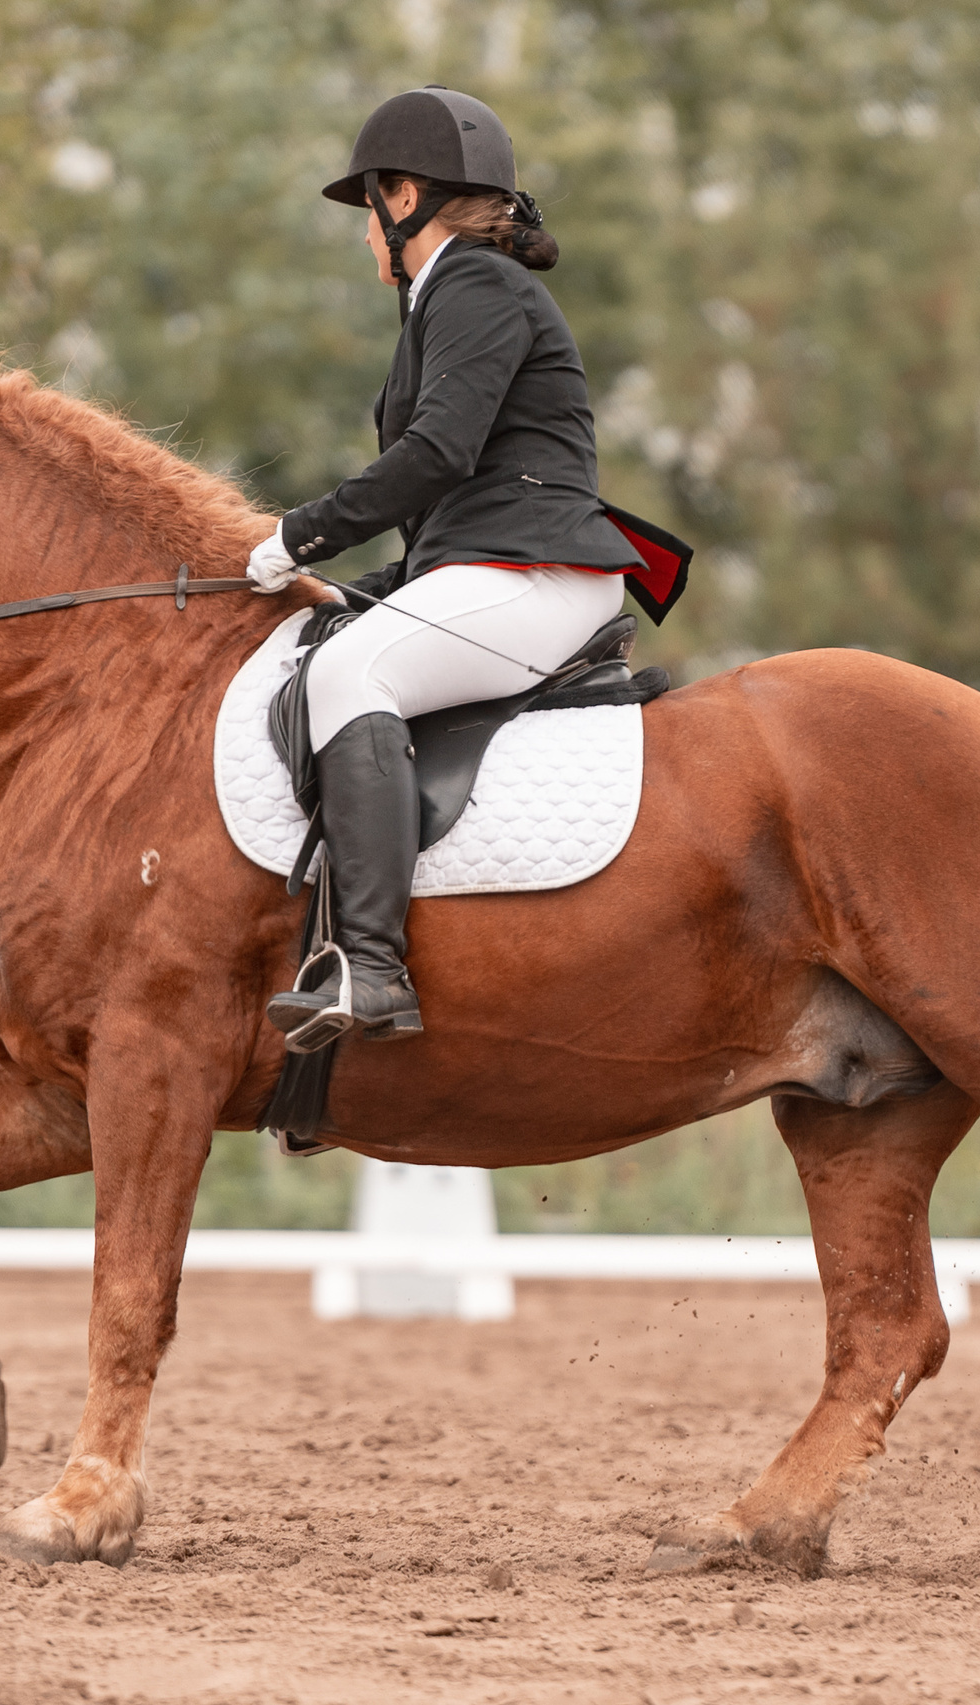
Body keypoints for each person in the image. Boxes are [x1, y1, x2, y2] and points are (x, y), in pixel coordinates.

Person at [247, 85, 671, 1050]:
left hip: (541, 575)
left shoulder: (476, 286)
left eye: (367, 212)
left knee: (353, 674)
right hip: (498, 564)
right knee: (344, 641)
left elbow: (436, 455)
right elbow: (456, 497)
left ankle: (372, 965)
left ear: (403, 197)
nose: (363, 238)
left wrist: (299, 534)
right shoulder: (450, 299)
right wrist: (371, 586)